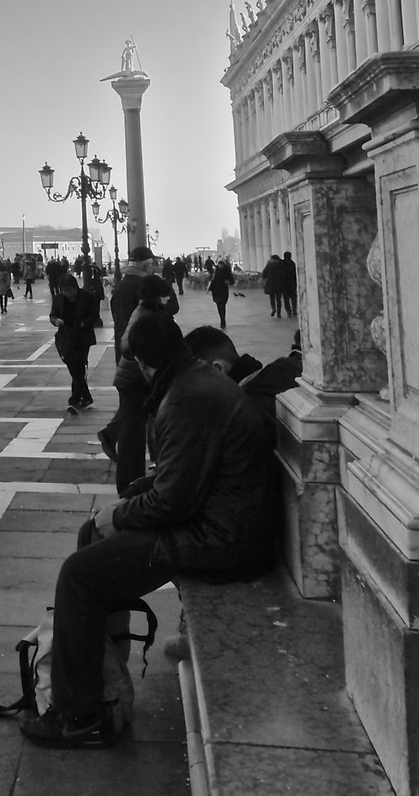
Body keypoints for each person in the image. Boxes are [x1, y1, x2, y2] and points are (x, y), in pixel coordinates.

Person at [21, 315, 280, 748]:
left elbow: (173, 501)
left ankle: (81, 717)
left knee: (79, 575)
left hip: (221, 539)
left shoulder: (186, 399)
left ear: (143, 363)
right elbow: (180, 475)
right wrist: (127, 501)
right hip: (223, 523)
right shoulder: (192, 383)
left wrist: (120, 515)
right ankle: (101, 681)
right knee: (92, 541)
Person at [103, 256, 180, 490]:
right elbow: (127, 345)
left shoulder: (147, 311)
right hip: (134, 380)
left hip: (135, 380)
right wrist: (146, 357)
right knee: (132, 437)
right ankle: (129, 484)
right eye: (164, 296)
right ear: (156, 296)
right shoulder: (145, 315)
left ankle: (132, 475)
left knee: (134, 429)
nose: (167, 300)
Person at [50, 266, 103, 413]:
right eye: (64, 290)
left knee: (78, 366)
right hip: (66, 337)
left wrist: (83, 323)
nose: (67, 294)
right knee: (74, 367)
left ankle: (76, 398)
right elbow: (52, 315)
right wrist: (56, 320)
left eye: (69, 290)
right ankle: (84, 397)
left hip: (82, 336)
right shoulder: (59, 299)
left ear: (75, 287)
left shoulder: (87, 297)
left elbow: (94, 316)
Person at [208, 259, 234, 328]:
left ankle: (223, 320)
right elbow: (213, 280)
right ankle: (222, 318)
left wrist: (228, 282)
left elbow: (232, 281)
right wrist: (210, 288)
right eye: (219, 264)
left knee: (222, 306)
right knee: (219, 306)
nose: (220, 265)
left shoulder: (227, 271)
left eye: (221, 264)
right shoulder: (216, 271)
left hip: (223, 291)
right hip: (216, 291)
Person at [279, 251, 299, 318]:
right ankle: (294, 309)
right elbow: (294, 275)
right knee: (293, 297)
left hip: (284, 284)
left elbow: (280, 275)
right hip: (292, 284)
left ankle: (288, 311)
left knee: (286, 299)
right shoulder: (292, 263)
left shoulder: (281, 264)